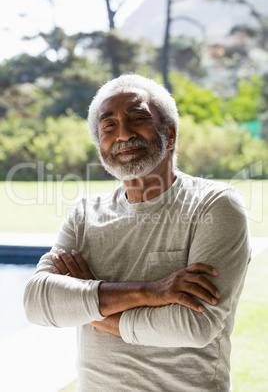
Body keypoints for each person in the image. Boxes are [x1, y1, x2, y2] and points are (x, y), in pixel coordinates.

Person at [24, 74, 250, 391]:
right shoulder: (85, 214)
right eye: (109, 126)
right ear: (99, 143)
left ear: (169, 133)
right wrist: (152, 292)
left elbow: (193, 325)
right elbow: (38, 302)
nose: (124, 134)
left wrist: (86, 303)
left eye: (137, 118)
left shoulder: (214, 205)